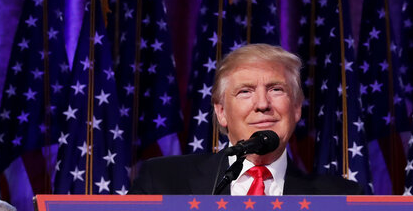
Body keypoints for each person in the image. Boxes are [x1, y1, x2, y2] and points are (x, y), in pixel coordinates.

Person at [131, 43, 361, 195]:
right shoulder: (162, 183)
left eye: (276, 89)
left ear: (297, 108)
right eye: (245, 91)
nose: (262, 104)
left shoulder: (341, 198)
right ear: (221, 112)